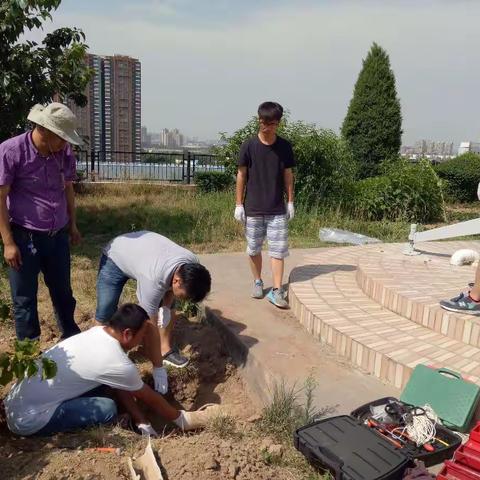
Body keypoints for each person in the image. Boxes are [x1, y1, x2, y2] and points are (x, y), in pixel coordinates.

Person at [4, 303, 220, 436]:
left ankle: (137, 421)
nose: (144, 342)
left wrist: (141, 420)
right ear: (127, 334)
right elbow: (151, 399)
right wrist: (184, 420)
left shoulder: (99, 333)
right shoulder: (116, 361)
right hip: (30, 420)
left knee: (108, 389)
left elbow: (119, 381)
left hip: (17, 402)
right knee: (107, 408)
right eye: (142, 336)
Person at [0, 103, 83, 341]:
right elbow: (0, 198)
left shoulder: (63, 153)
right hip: (24, 237)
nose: (65, 144)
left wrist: (72, 224)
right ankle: (29, 352)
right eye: (62, 138)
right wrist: (8, 243)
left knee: (63, 292)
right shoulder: (11, 151)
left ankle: (70, 336)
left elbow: (68, 189)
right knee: (24, 298)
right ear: (44, 130)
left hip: (57, 237)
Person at [95, 231, 211, 393]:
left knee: (169, 306)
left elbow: (170, 285)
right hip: (116, 257)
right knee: (105, 310)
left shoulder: (191, 263)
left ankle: (165, 349)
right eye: (185, 296)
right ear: (177, 281)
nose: (185, 301)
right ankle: (100, 354)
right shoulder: (153, 279)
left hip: (145, 255)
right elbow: (149, 325)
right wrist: (158, 368)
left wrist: (165, 306)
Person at [234, 101, 295, 309]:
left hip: (277, 208)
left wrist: (291, 202)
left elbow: (288, 175)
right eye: (262, 122)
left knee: (277, 250)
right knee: (253, 248)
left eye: (269, 123)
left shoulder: (285, 147)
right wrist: (238, 204)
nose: (265, 126)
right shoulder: (249, 146)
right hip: (253, 208)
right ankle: (258, 281)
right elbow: (241, 175)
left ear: (278, 123)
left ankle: (277, 290)